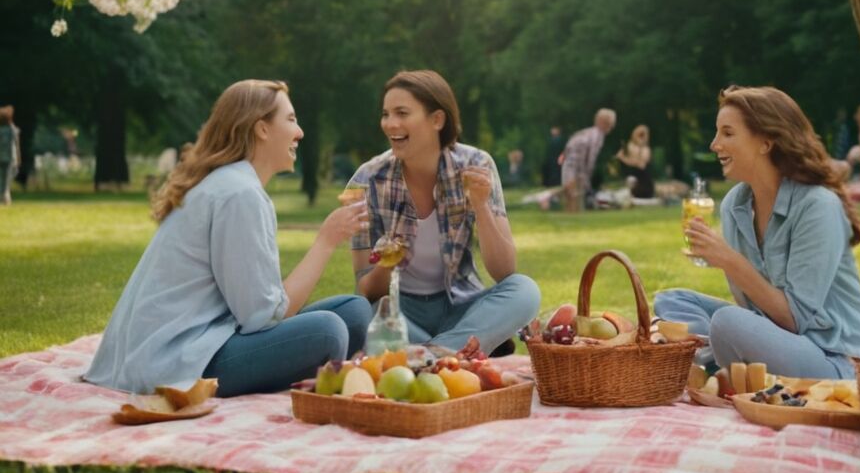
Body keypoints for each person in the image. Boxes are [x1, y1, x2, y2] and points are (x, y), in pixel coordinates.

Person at [86, 80, 372, 396]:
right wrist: (326, 241)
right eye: (290, 120)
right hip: (177, 362)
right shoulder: (239, 194)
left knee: (356, 312)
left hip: (209, 336)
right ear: (262, 129)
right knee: (329, 333)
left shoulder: (233, 184)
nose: (300, 132)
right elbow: (261, 318)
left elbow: (258, 307)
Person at [654, 86, 860, 380]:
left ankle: (711, 361)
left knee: (726, 322)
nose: (714, 144)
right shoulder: (735, 204)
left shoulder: (817, 206)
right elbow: (755, 310)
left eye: (728, 133)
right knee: (671, 301)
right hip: (778, 339)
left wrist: (729, 261)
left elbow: (796, 320)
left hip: (832, 357)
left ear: (765, 143)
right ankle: (718, 358)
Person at [347, 70, 540, 356]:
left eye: (401, 113)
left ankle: (429, 354)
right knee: (362, 311)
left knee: (524, 290)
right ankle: (460, 349)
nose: (390, 124)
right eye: (386, 114)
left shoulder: (476, 164)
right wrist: (388, 260)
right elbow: (368, 290)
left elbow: (505, 271)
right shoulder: (368, 179)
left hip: (462, 305)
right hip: (403, 311)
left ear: (437, 120)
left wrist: (481, 206)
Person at [560, 108, 617, 213]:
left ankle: (570, 215)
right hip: (575, 165)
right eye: (611, 122)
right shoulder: (597, 136)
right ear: (603, 122)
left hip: (570, 163)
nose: (612, 126)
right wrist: (585, 178)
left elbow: (569, 148)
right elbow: (589, 158)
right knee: (573, 195)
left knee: (571, 195)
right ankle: (572, 215)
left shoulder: (588, 132)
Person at [615, 124, 655, 198]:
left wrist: (640, 148)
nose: (643, 138)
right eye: (640, 135)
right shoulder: (629, 147)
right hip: (632, 179)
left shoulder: (645, 149)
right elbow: (619, 157)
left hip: (644, 183)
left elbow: (642, 165)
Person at [0, 105, 20, 205]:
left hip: (1, 156)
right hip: (10, 157)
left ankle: (3, 195)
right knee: (8, 177)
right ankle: (5, 196)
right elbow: (16, 144)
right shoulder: (12, 130)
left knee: (2, 178)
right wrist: (19, 158)